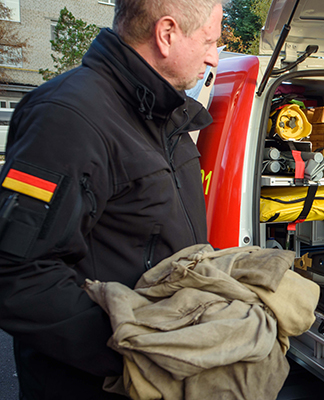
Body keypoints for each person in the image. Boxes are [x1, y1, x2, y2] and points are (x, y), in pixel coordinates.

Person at [0, 0, 225, 398]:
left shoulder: (165, 115)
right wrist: (139, 352)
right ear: (167, 34)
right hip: (96, 383)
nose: (213, 58)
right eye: (209, 41)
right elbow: (18, 275)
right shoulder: (66, 117)